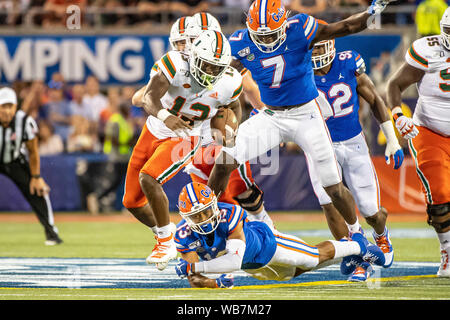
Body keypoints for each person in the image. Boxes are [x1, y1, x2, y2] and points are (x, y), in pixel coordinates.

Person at [207, 0, 394, 244]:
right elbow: (220, 74)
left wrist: (373, 10)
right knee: (224, 160)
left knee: (333, 186)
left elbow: (346, 27)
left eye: (271, 35)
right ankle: (205, 217)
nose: (265, 41)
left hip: (306, 114)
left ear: (284, 25)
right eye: (259, 36)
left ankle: (356, 233)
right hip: (271, 116)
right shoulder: (240, 43)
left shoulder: (301, 28)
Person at [123, 29, 243, 271]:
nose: (210, 72)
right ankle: (176, 240)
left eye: (215, 68)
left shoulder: (230, 80)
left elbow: (234, 107)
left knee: (149, 177)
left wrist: (231, 134)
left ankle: (166, 241)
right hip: (154, 128)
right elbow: (148, 98)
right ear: (193, 56)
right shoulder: (176, 63)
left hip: (186, 136)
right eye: (206, 65)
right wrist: (166, 117)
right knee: (132, 201)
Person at [303, 38, 404, 281]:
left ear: (331, 46)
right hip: (319, 145)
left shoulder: (348, 63)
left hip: (353, 142)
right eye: (312, 47)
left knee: (372, 212)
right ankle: (357, 257)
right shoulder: (299, 69)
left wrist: (391, 138)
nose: (316, 52)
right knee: (329, 203)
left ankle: (380, 235)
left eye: (320, 46)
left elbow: (374, 99)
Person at [173, 182, 385, 288]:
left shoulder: (229, 214)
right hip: (253, 266)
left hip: (268, 244)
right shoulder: (184, 236)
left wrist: (194, 266)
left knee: (310, 258)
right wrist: (215, 284)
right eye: (196, 216)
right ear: (186, 218)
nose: (204, 219)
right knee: (294, 274)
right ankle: (351, 254)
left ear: (215, 206)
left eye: (207, 212)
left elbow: (234, 261)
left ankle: (359, 245)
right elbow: (195, 279)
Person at [386, 8, 450, 277]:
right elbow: (395, 85)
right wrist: (398, 114)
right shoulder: (428, 50)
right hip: (430, 130)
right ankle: (447, 251)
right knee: (440, 195)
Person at [0, 87, 62, 245]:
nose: (7, 111)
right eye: (3, 106)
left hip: (15, 160)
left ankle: (51, 232)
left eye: (10, 106)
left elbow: (33, 151)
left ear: (15, 107)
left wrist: (36, 177)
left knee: (38, 190)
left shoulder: (24, 121)